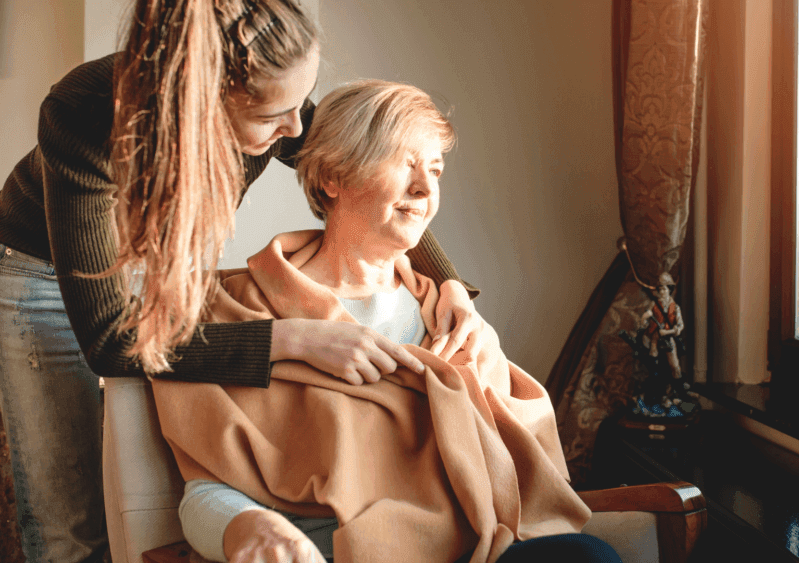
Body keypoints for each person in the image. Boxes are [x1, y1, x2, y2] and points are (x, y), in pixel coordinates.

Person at [0, 2, 482, 561]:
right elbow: (112, 343)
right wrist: (296, 337)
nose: (295, 130)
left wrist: (445, 281)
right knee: (71, 521)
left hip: (154, 265)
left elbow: (357, 168)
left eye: (299, 104)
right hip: (39, 272)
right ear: (201, 99)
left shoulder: (273, 99)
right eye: (275, 117)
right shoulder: (84, 113)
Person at [152, 80, 621, 563]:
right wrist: (247, 526)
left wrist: (483, 359)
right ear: (333, 177)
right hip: (335, 550)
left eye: (435, 170)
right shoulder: (243, 310)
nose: (425, 188)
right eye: (405, 163)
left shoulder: (449, 318)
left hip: (472, 546)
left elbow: (516, 469)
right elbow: (206, 490)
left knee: (588, 557)